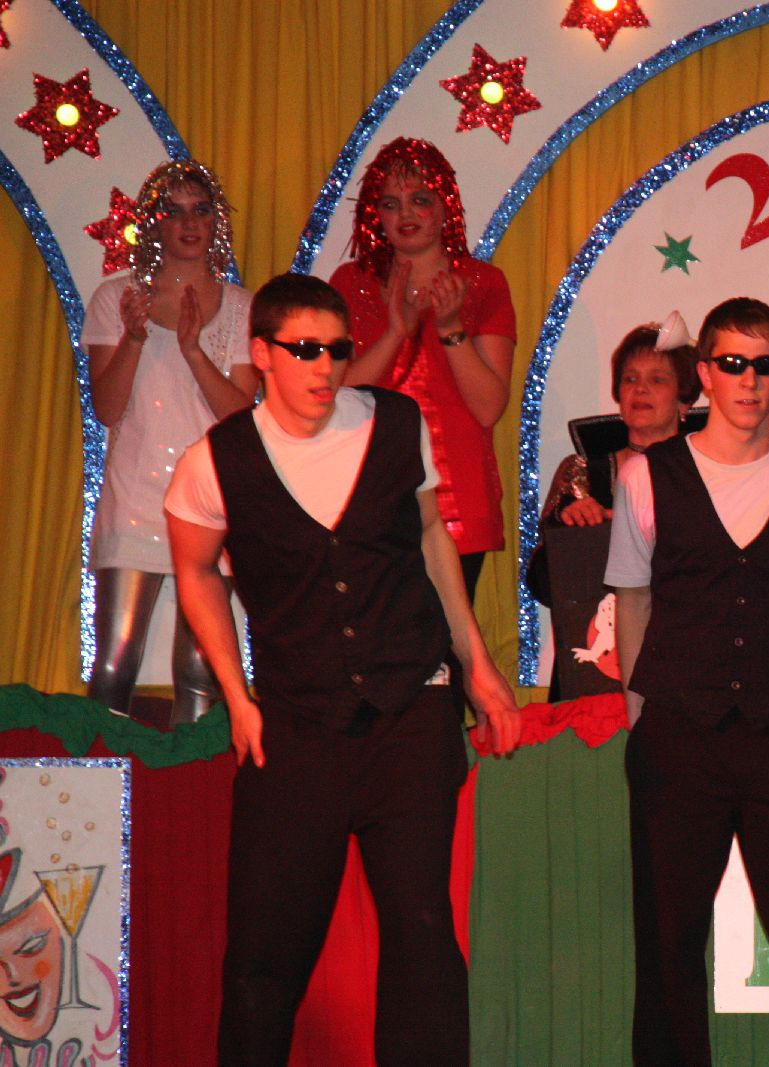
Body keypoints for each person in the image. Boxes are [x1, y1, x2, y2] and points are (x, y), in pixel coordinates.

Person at [164, 273, 519, 1065]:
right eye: (304, 350)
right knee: (265, 955)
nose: (324, 366)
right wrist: (237, 696)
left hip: (411, 709)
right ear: (262, 354)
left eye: (335, 348)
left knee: (423, 935)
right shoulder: (215, 460)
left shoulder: (394, 422)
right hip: (295, 726)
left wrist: (475, 660)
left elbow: (431, 536)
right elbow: (195, 571)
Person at [607, 298, 769, 1066]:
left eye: (763, 364)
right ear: (705, 373)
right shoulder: (646, 476)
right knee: (668, 948)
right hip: (676, 735)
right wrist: (641, 717)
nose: (749, 380)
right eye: (732, 363)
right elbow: (633, 602)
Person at [84, 159, 258, 724]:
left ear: (217, 222)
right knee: (114, 665)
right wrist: (134, 339)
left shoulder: (241, 307)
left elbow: (241, 416)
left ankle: (195, 778)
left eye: (201, 210)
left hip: (211, 504)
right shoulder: (117, 298)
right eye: (173, 210)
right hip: (135, 498)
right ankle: (103, 776)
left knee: (201, 669)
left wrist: (192, 350)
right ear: (153, 222)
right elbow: (107, 409)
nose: (188, 223)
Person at [329, 137, 516, 600]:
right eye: (391, 204)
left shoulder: (484, 282)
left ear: (444, 206)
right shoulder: (350, 283)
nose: (406, 214)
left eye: (420, 200)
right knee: (379, 633)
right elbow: (336, 394)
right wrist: (397, 332)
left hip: (458, 495)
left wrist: (450, 329)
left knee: (449, 634)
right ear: (375, 213)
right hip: (368, 490)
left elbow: (489, 407)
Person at [540, 313, 701, 528]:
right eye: (630, 379)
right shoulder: (582, 477)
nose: (640, 388)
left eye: (657, 380)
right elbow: (547, 545)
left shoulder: (708, 474)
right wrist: (572, 518)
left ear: (684, 401)